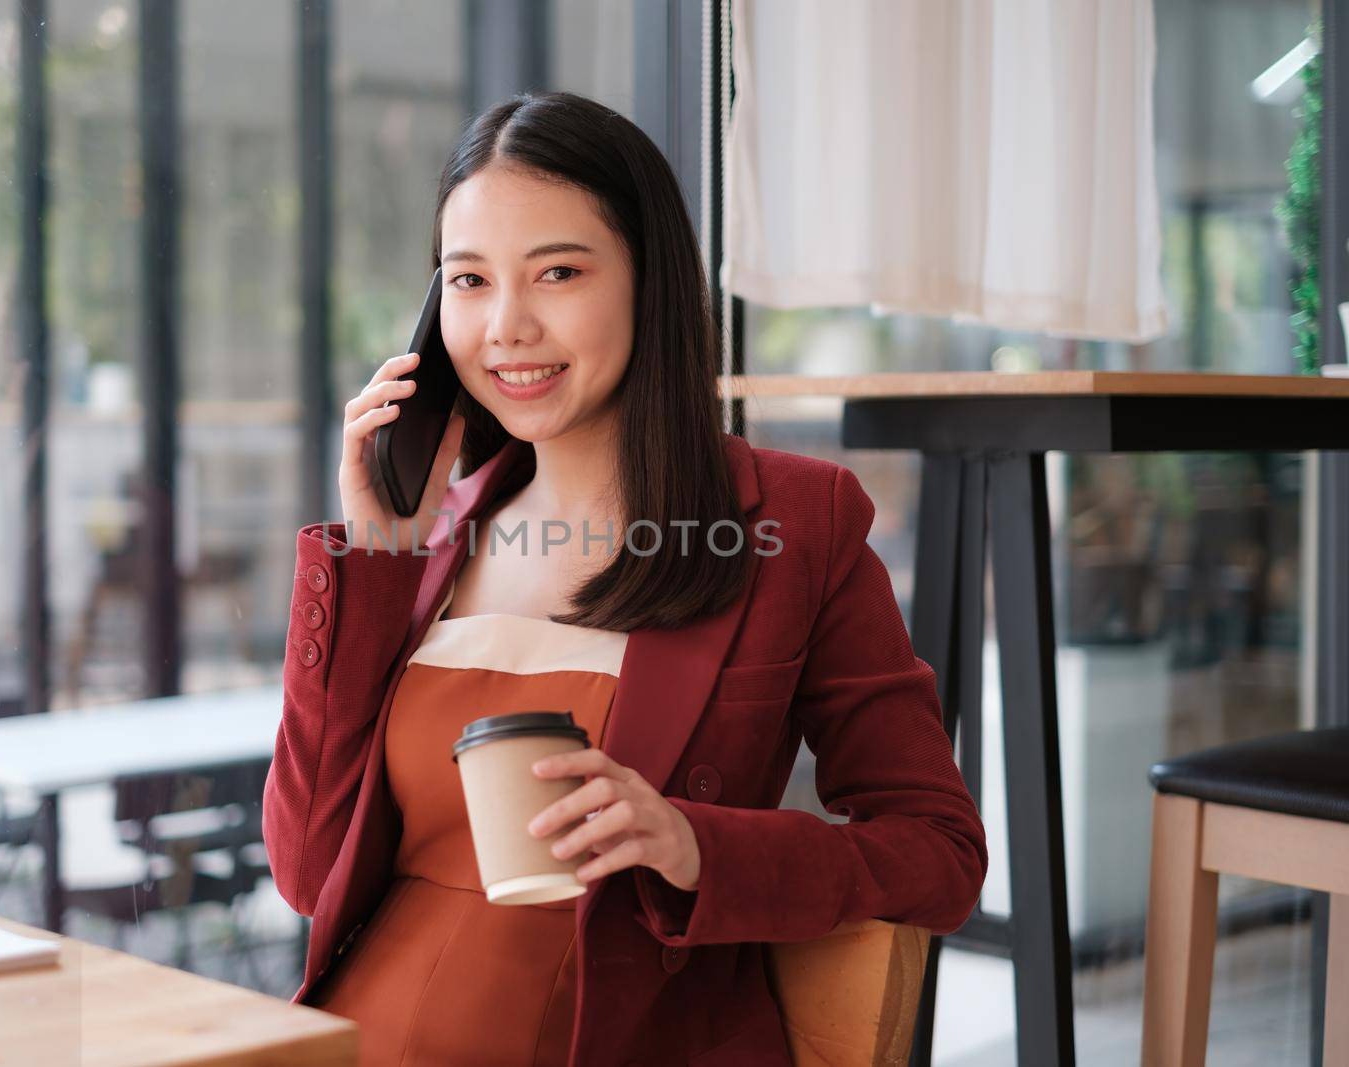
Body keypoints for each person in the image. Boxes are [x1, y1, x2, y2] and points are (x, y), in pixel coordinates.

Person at [262, 90, 987, 1067]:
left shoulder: (791, 525)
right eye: (468, 281)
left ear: (648, 281)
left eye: (556, 271)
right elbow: (308, 871)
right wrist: (372, 559)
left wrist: (690, 845)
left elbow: (939, 854)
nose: (506, 325)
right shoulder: (430, 541)